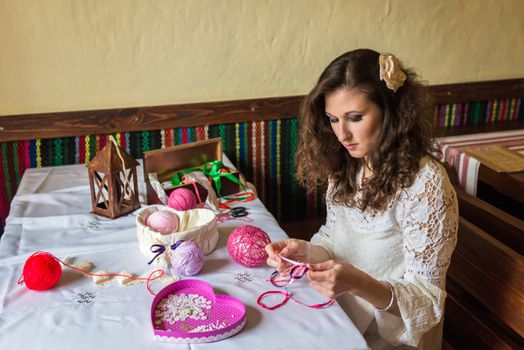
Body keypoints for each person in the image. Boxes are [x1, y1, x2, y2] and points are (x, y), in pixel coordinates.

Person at [265, 49, 458, 349]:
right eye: (332, 119)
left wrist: (357, 283)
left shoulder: (425, 183)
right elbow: (335, 238)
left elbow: (427, 301)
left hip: (389, 339)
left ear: (390, 111)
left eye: (355, 118)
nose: (342, 134)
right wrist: (307, 252)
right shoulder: (350, 163)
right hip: (341, 315)